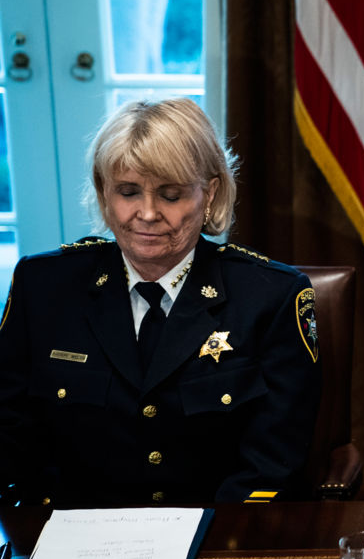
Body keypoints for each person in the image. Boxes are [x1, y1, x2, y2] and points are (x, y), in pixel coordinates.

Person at [0, 98, 321, 506]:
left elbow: (274, 459)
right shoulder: (43, 286)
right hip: (70, 536)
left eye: (170, 195)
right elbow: (11, 433)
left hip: (217, 537)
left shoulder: (270, 297)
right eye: (128, 192)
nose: (147, 213)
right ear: (104, 193)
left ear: (209, 194)